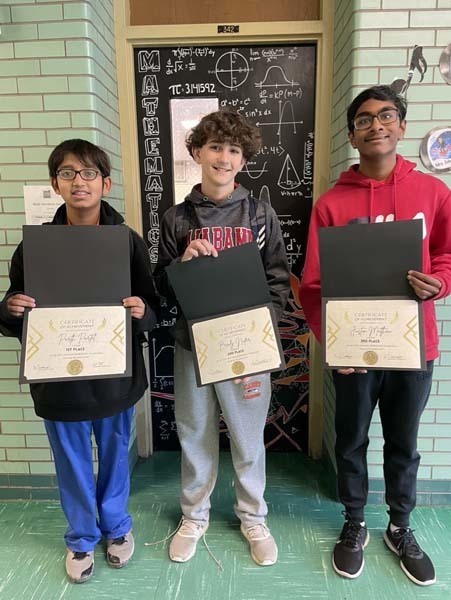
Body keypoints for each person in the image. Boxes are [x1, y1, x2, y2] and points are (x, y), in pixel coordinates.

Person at [299, 85, 451, 586]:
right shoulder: (331, 205)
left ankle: (400, 527)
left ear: (401, 127)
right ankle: (354, 522)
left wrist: (440, 283)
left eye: (386, 117)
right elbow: (313, 285)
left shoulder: (434, 194)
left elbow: (448, 257)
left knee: (403, 444)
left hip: (414, 348)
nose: (376, 126)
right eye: (365, 120)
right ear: (352, 134)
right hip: (354, 354)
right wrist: (332, 345)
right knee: (351, 441)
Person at [0, 139, 159, 583]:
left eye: (89, 173)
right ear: (55, 184)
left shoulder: (127, 243)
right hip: (59, 381)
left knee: (113, 455)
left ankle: (117, 528)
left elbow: (153, 304)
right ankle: (81, 538)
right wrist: (10, 308)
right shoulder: (35, 247)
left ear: (105, 183)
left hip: (112, 377)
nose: (78, 181)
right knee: (70, 461)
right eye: (68, 173)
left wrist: (143, 311)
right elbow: (15, 307)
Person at [154, 110, 290, 566]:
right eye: (215, 146)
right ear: (196, 152)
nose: (224, 157)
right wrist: (184, 266)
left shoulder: (260, 212)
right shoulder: (176, 219)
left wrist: (260, 330)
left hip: (247, 348)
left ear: (244, 159)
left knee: (249, 436)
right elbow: (160, 287)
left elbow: (278, 281)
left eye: (234, 149)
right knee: (195, 432)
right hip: (193, 347)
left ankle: (253, 515)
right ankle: (195, 515)